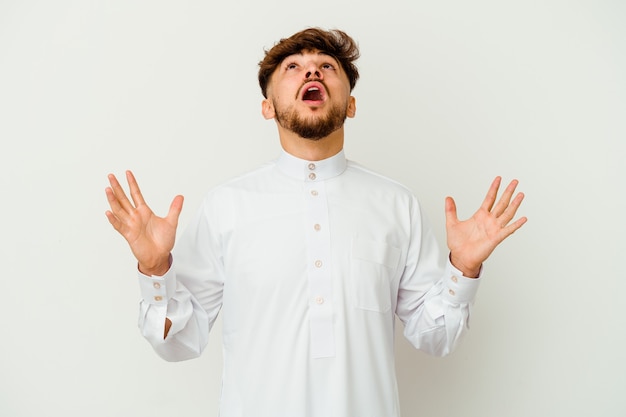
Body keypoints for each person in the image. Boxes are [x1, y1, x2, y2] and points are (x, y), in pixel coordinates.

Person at [105, 28, 526, 417]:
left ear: (352, 103)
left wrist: (462, 269)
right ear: (267, 107)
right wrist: (156, 271)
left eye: (327, 66)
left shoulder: (397, 205)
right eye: (294, 67)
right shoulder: (227, 206)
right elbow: (178, 342)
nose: (312, 70)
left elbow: (436, 338)